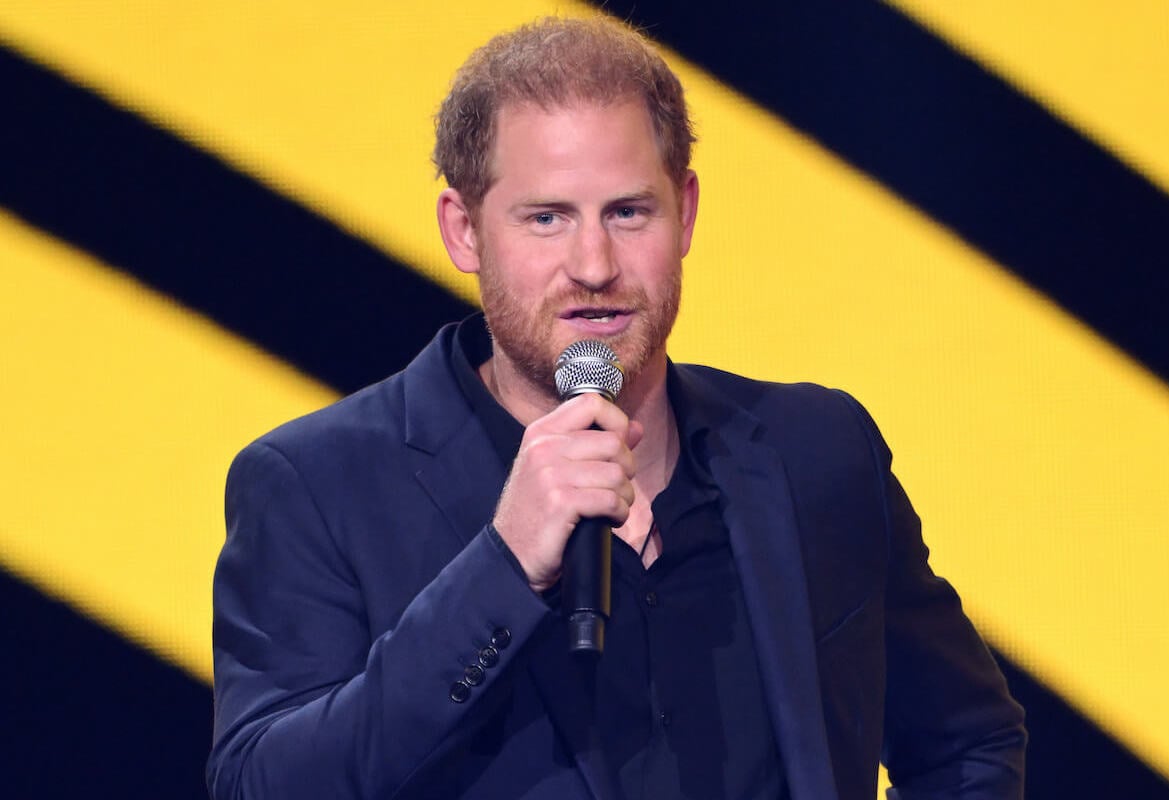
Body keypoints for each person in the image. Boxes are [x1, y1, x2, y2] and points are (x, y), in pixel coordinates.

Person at [207, 16, 1026, 800]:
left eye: (628, 212)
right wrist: (504, 565)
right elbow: (264, 785)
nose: (593, 265)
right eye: (546, 218)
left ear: (686, 213)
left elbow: (966, 742)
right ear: (464, 232)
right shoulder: (317, 484)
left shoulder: (817, 452)